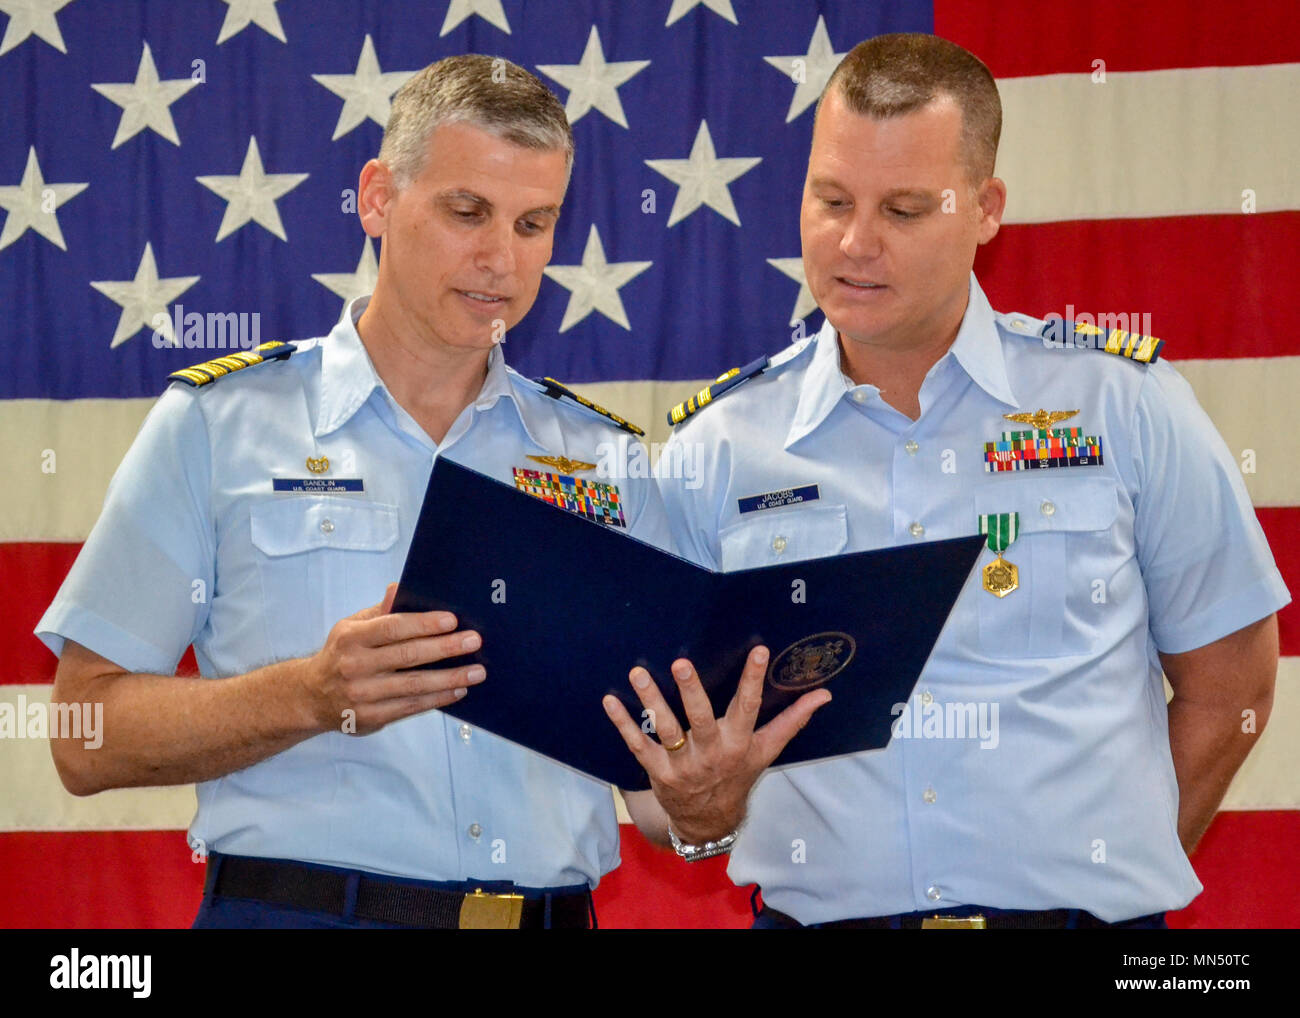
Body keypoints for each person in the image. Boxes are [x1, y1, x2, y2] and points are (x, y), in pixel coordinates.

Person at [604, 33, 1288, 929]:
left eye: (905, 209)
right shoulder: (718, 448)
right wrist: (696, 810)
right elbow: (657, 773)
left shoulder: (1123, 407)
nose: (856, 242)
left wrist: (1105, 884)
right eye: (831, 199)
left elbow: (1232, 684)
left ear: (986, 207)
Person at [36, 54, 671, 930]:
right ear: (377, 197)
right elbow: (82, 735)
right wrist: (307, 696)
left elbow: (664, 806)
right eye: (466, 212)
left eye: (535, 223)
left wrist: (703, 789)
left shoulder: (608, 460)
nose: (501, 258)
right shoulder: (220, 425)